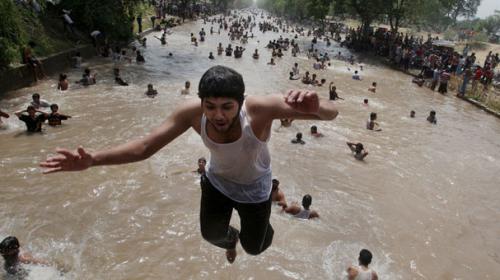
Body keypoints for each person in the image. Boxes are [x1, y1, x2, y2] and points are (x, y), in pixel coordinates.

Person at [40, 65, 338, 263]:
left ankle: (258, 230)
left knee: (256, 248)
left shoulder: (260, 109)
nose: (218, 115)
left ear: (240, 101)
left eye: (227, 107)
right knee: (211, 235)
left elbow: (332, 113)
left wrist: (317, 106)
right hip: (218, 182)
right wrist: (93, 160)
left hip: (255, 189)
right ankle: (232, 237)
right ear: (201, 102)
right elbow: (145, 147)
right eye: (210, 107)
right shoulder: (191, 113)